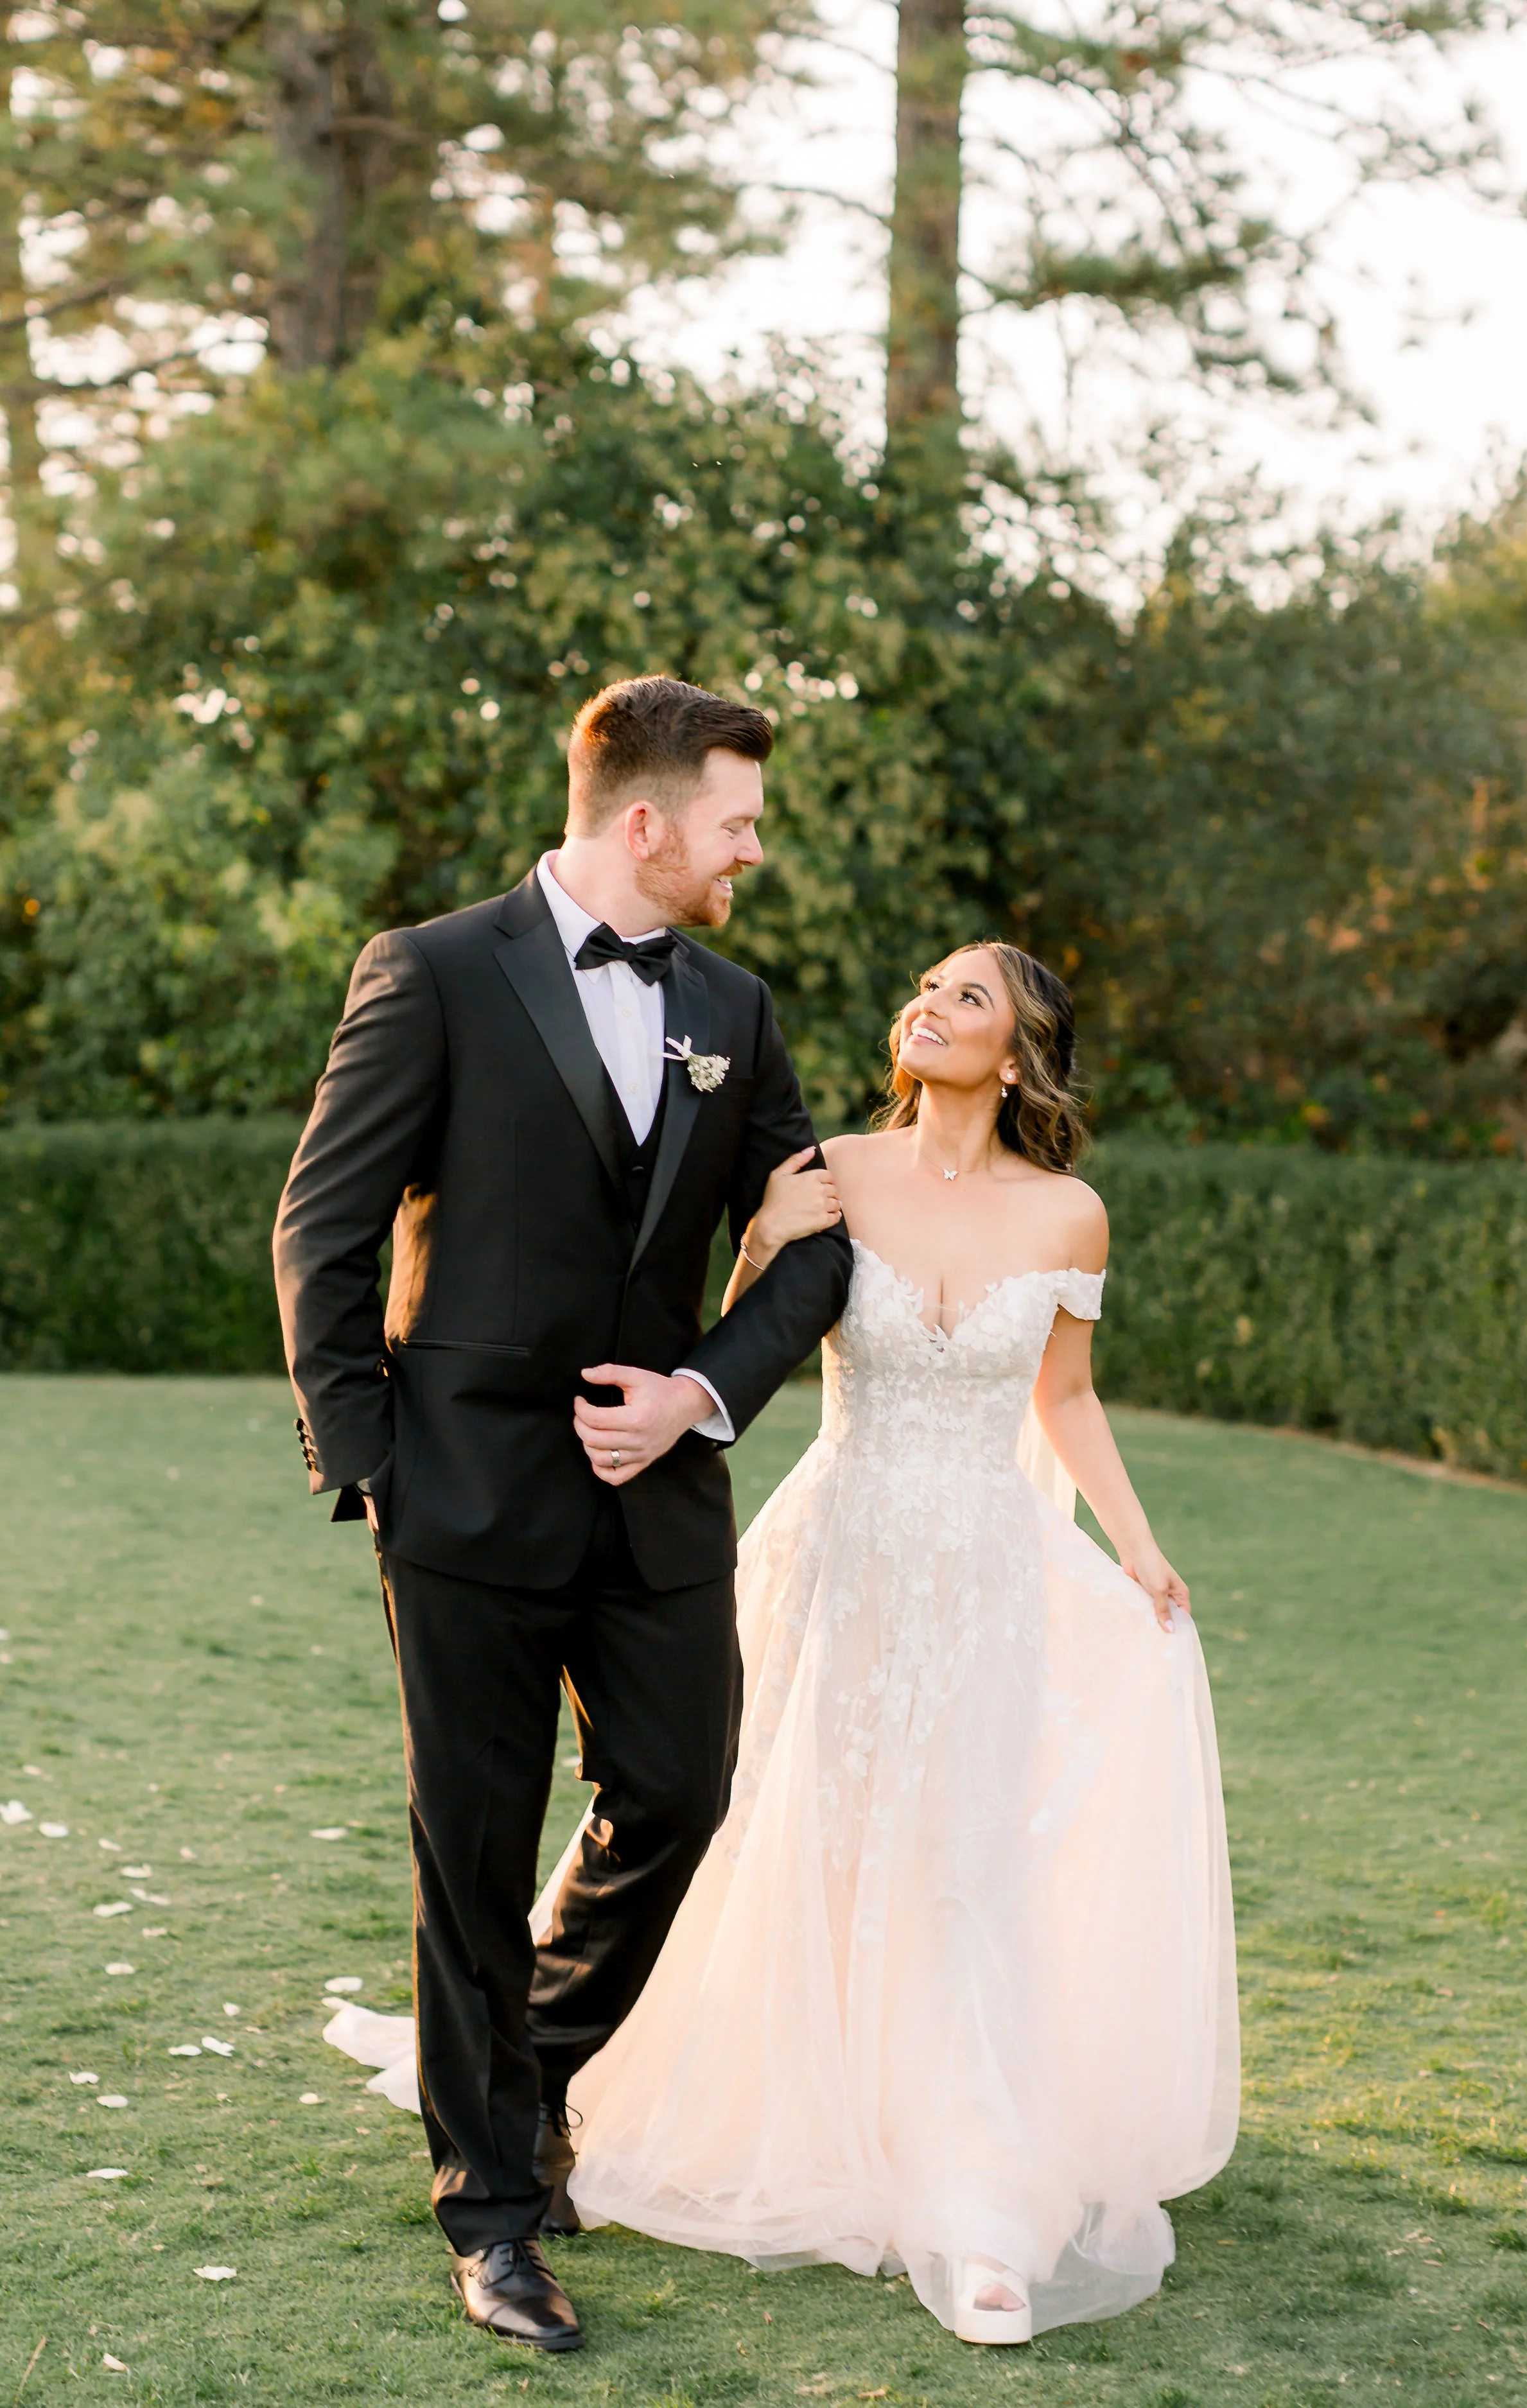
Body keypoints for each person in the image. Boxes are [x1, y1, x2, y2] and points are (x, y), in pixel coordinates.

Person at [272, 675, 853, 2353]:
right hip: (459, 1493)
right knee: (470, 1848)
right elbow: (324, 1218)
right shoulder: (435, 970)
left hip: (658, 1497)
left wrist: (700, 1385)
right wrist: (369, 1454)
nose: (754, 846)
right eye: (737, 818)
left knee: (679, 1783)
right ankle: (497, 2206)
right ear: (649, 821)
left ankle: (517, 2065)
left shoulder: (735, 1005)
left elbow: (812, 1236)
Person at [546, 940, 1240, 2344]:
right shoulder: (834, 1173)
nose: (926, 1005)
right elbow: (743, 1328)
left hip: (982, 1573)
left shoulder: (1068, 1216)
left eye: (964, 997)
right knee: (790, 1824)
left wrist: (1137, 1542)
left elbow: (1067, 1398)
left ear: (1018, 1048)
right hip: (836, 1547)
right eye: (921, 987)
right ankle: (630, 2069)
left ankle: (976, 2188)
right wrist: (756, 1237)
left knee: (960, 1858)